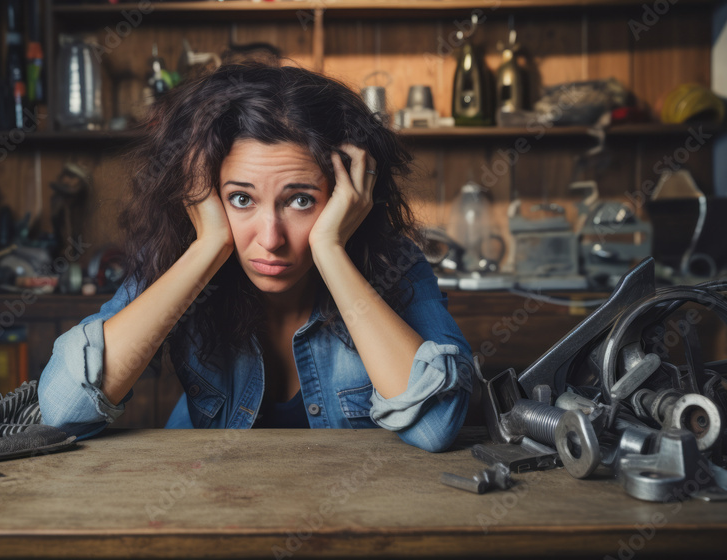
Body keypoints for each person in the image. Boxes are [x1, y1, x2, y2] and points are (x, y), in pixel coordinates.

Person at [38, 61, 475, 452]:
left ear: (348, 199)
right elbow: (64, 413)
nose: (270, 238)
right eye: (241, 199)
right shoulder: (179, 257)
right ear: (204, 197)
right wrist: (209, 245)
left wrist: (330, 250)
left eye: (301, 200)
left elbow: (437, 428)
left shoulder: (393, 264)